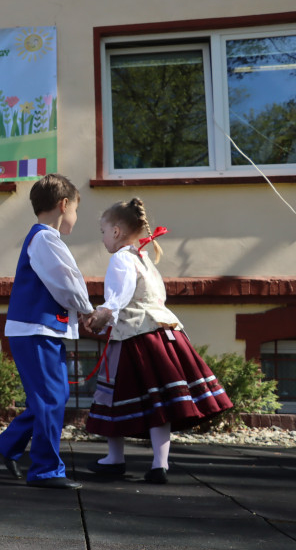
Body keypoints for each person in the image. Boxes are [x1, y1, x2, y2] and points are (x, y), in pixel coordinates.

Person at [85, 199, 233, 483]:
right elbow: (154, 298)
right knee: (158, 401)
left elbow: (121, 296)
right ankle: (159, 464)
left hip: (135, 337)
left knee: (113, 395)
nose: (102, 238)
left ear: (116, 231)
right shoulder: (144, 259)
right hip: (164, 334)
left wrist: (103, 313)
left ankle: (115, 458)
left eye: (103, 232)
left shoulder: (121, 259)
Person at [0, 174, 94, 489]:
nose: (76, 217)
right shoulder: (46, 239)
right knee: (51, 397)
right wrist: (87, 310)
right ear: (64, 205)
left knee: (53, 396)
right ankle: (46, 470)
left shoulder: (44, 238)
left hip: (41, 330)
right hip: (36, 330)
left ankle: (9, 443)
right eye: (76, 210)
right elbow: (67, 283)